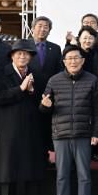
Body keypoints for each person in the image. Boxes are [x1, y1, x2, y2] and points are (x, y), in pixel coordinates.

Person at [40, 45, 98, 195]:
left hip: (83, 134)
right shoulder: (54, 80)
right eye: (69, 58)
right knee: (62, 176)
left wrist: (96, 133)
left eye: (76, 58)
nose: (73, 61)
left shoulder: (92, 79)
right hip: (60, 135)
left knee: (84, 175)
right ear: (64, 61)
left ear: (82, 61)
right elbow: (44, 109)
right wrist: (45, 105)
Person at [0, 40, 48, 195]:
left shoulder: (38, 75)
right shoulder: (0, 74)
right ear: (12, 56)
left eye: (26, 54)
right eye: (18, 53)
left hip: (33, 128)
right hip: (9, 130)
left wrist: (35, 94)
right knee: (8, 173)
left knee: (34, 170)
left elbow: (43, 100)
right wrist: (21, 89)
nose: (22, 57)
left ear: (31, 57)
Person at [27, 16, 64, 156]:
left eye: (46, 27)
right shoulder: (24, 45)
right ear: (33, 28)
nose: (42, 29)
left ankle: (45, 155)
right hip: (29, 93)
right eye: (39, 26)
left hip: (49, 94)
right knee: (31, 127)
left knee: (46, 126)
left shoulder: (55, 48)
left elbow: (59, 70)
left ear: (49, 30)